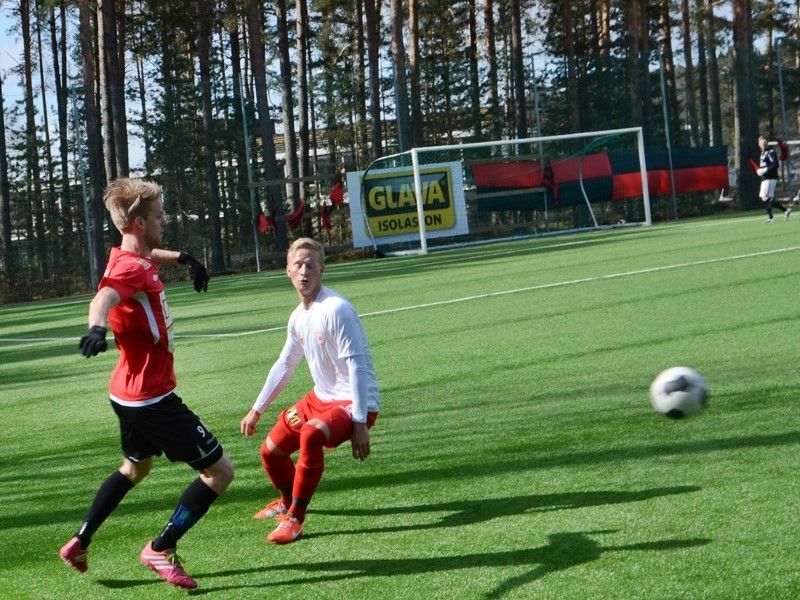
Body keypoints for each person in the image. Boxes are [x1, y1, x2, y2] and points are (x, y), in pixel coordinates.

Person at [58, 178, 234, 590]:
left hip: (125, 392)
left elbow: (148, 255)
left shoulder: (129, 254)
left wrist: (184, 258)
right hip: (153, 399)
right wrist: (97, 328)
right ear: (139, 223)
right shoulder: (129, 268)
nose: (165, 221)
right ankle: (160, 547)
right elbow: (103, 297)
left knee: (136, 467)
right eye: (159, 216)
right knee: (220, 472)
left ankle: (80, 540)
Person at [240, 237, 380, 544]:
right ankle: (286, 500)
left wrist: (359, 422)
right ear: (288, 271)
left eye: (311, 265)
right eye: (299, 265)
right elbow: (285, 364)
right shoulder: (298, 317)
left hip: (355, 401)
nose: (305, 271)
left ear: (321, 270)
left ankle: (295, 519)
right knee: (270, 451)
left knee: (312, 433)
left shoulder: (337, 309)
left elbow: (357, 366)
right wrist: (257, 409)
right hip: (320, 398)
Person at [757, 135, 791, 222]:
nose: (763, 144)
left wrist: (764, 170)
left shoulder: (770, 152)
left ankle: (783, 211)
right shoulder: (763, 153)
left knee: (765, 196)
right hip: (765, 178)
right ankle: (774, 216)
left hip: (770, 178)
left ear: (767, 143)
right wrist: (760, 170)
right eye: (761, 142)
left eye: (765, 142)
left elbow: (775, 164)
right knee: (765, 198)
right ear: (759, 144)